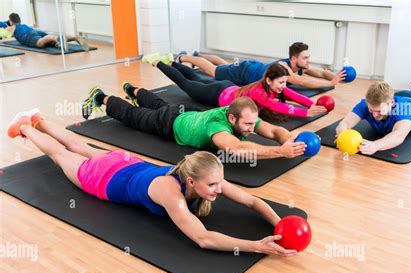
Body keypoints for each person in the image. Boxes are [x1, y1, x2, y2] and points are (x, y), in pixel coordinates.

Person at [7, 110, 298, 256]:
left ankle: (39, 119)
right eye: (212, 187)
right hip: (104, 177)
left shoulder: (203, 173)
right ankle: (23, 126)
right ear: (192, 182)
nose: (219, 190)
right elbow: (203, 238)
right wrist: (257, 246)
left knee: (79, 145)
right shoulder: (170, 192)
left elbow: (252, 200)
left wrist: (278, 223)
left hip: (126, 163)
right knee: (61, 154)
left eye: (219, 184)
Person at [81, 83, 308, 160]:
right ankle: (100, 96)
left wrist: (291, 141)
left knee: (160, 102)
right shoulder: (218, 127)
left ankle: (132, 88)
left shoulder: (244, 114)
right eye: (248, 125)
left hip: (186, 113)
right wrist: (280, 153)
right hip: (168, 124)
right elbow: (236, 148)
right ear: (232, 118)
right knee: (133, 116)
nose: (252, 128)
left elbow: (274, 130)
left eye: (253, 124)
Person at [150, 56, 327, 119]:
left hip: (227, 88)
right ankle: (159, 62)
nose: (284, 86)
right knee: (187, 84)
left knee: (196, 77)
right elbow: (277, 106)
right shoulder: (260, 93)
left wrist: (310, 104)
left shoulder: (272, 86)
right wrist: (306, 113)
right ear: (270, 81)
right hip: (217, 94)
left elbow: (293, 95)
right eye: (281, 82)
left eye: (284, 82)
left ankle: (173, 62)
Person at [335, 66, 411, 155]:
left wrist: (375, 145)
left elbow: (398, 135)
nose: (374, 114)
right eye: (371, 110)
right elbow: (344, 123)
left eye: (379, 111)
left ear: (391, 103)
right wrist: (342, 135)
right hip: (404, 95)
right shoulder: (365, 104)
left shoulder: (405, 110)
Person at [143, 42, 346, 89]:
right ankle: (183, 58)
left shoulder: (299, 65)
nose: (308, 62)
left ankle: (197, 54)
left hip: (250, 68)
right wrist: (330, 84)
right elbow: (303, 82)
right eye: (305, 59)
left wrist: (334, 76)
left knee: (222, 65)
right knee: (212, 71)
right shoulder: (285, 69)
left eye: (308, 58)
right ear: (293, 59)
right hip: (246, 72)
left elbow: (319, 72)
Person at [5, 13, 88, 51]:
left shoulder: (12, 27)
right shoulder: (24, 25)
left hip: (28, 36)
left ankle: (57, 39)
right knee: (49, 42)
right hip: (33, 31)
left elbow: (5, 35)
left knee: (40, 43)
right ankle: (75, 37)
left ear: (11, 21)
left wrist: (5, 28)